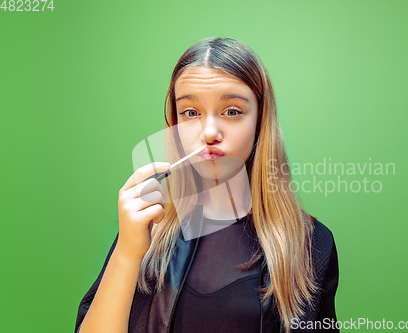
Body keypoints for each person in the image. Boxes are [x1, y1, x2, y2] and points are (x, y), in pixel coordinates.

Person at [75, 37, 339, 333]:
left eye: (232, 111)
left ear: (259, 123)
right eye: (191, 113)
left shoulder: (310, 244)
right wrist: (126, 252)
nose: (210, 132)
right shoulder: (147, 230)